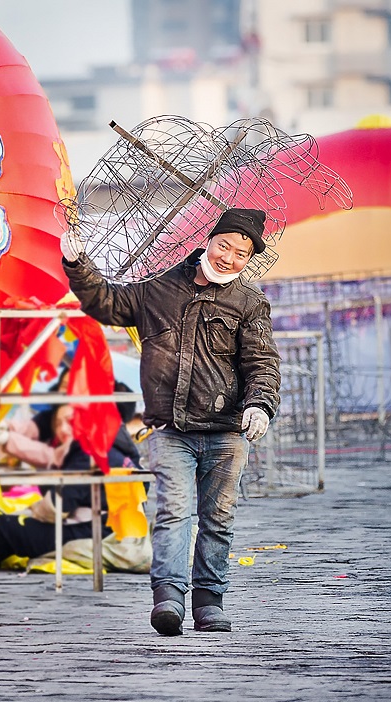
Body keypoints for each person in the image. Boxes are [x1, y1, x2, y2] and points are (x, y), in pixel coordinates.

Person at [60, 208, 281, 635]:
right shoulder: (158, 288)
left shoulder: (250, 303)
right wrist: (77, 264)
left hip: (227, 432)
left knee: (218, 519)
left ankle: (209, 603)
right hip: (170, 430)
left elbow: (262, 364)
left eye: (241, 254)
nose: (229, 258)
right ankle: (169, 599)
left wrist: (260, 405)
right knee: (173, 513)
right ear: (209, 241)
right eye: (224, 246)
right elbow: (106, 301)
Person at [0, 403, 143, 570]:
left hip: (96, 531)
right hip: (113, 528)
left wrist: (33, 510)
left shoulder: (90, 453)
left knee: (6, 528)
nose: (62, 429)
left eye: (69, 420)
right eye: (58, 424)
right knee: (10, 525)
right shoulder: (116, 447)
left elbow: (56, 506)